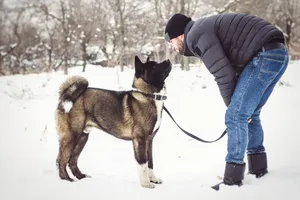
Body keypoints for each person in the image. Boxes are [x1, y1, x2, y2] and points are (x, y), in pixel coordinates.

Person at [164, 13, 289, 186]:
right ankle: (258, 168)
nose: (172, 46)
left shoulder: (195, 35)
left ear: (179, 35)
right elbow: (233, 69)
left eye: (171, 41)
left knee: (236, 115)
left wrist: (233, 107)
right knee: (250, 112)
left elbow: (223, 74)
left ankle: (233, 178)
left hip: (265, 55)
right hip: (279, 53)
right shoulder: (201, 29)